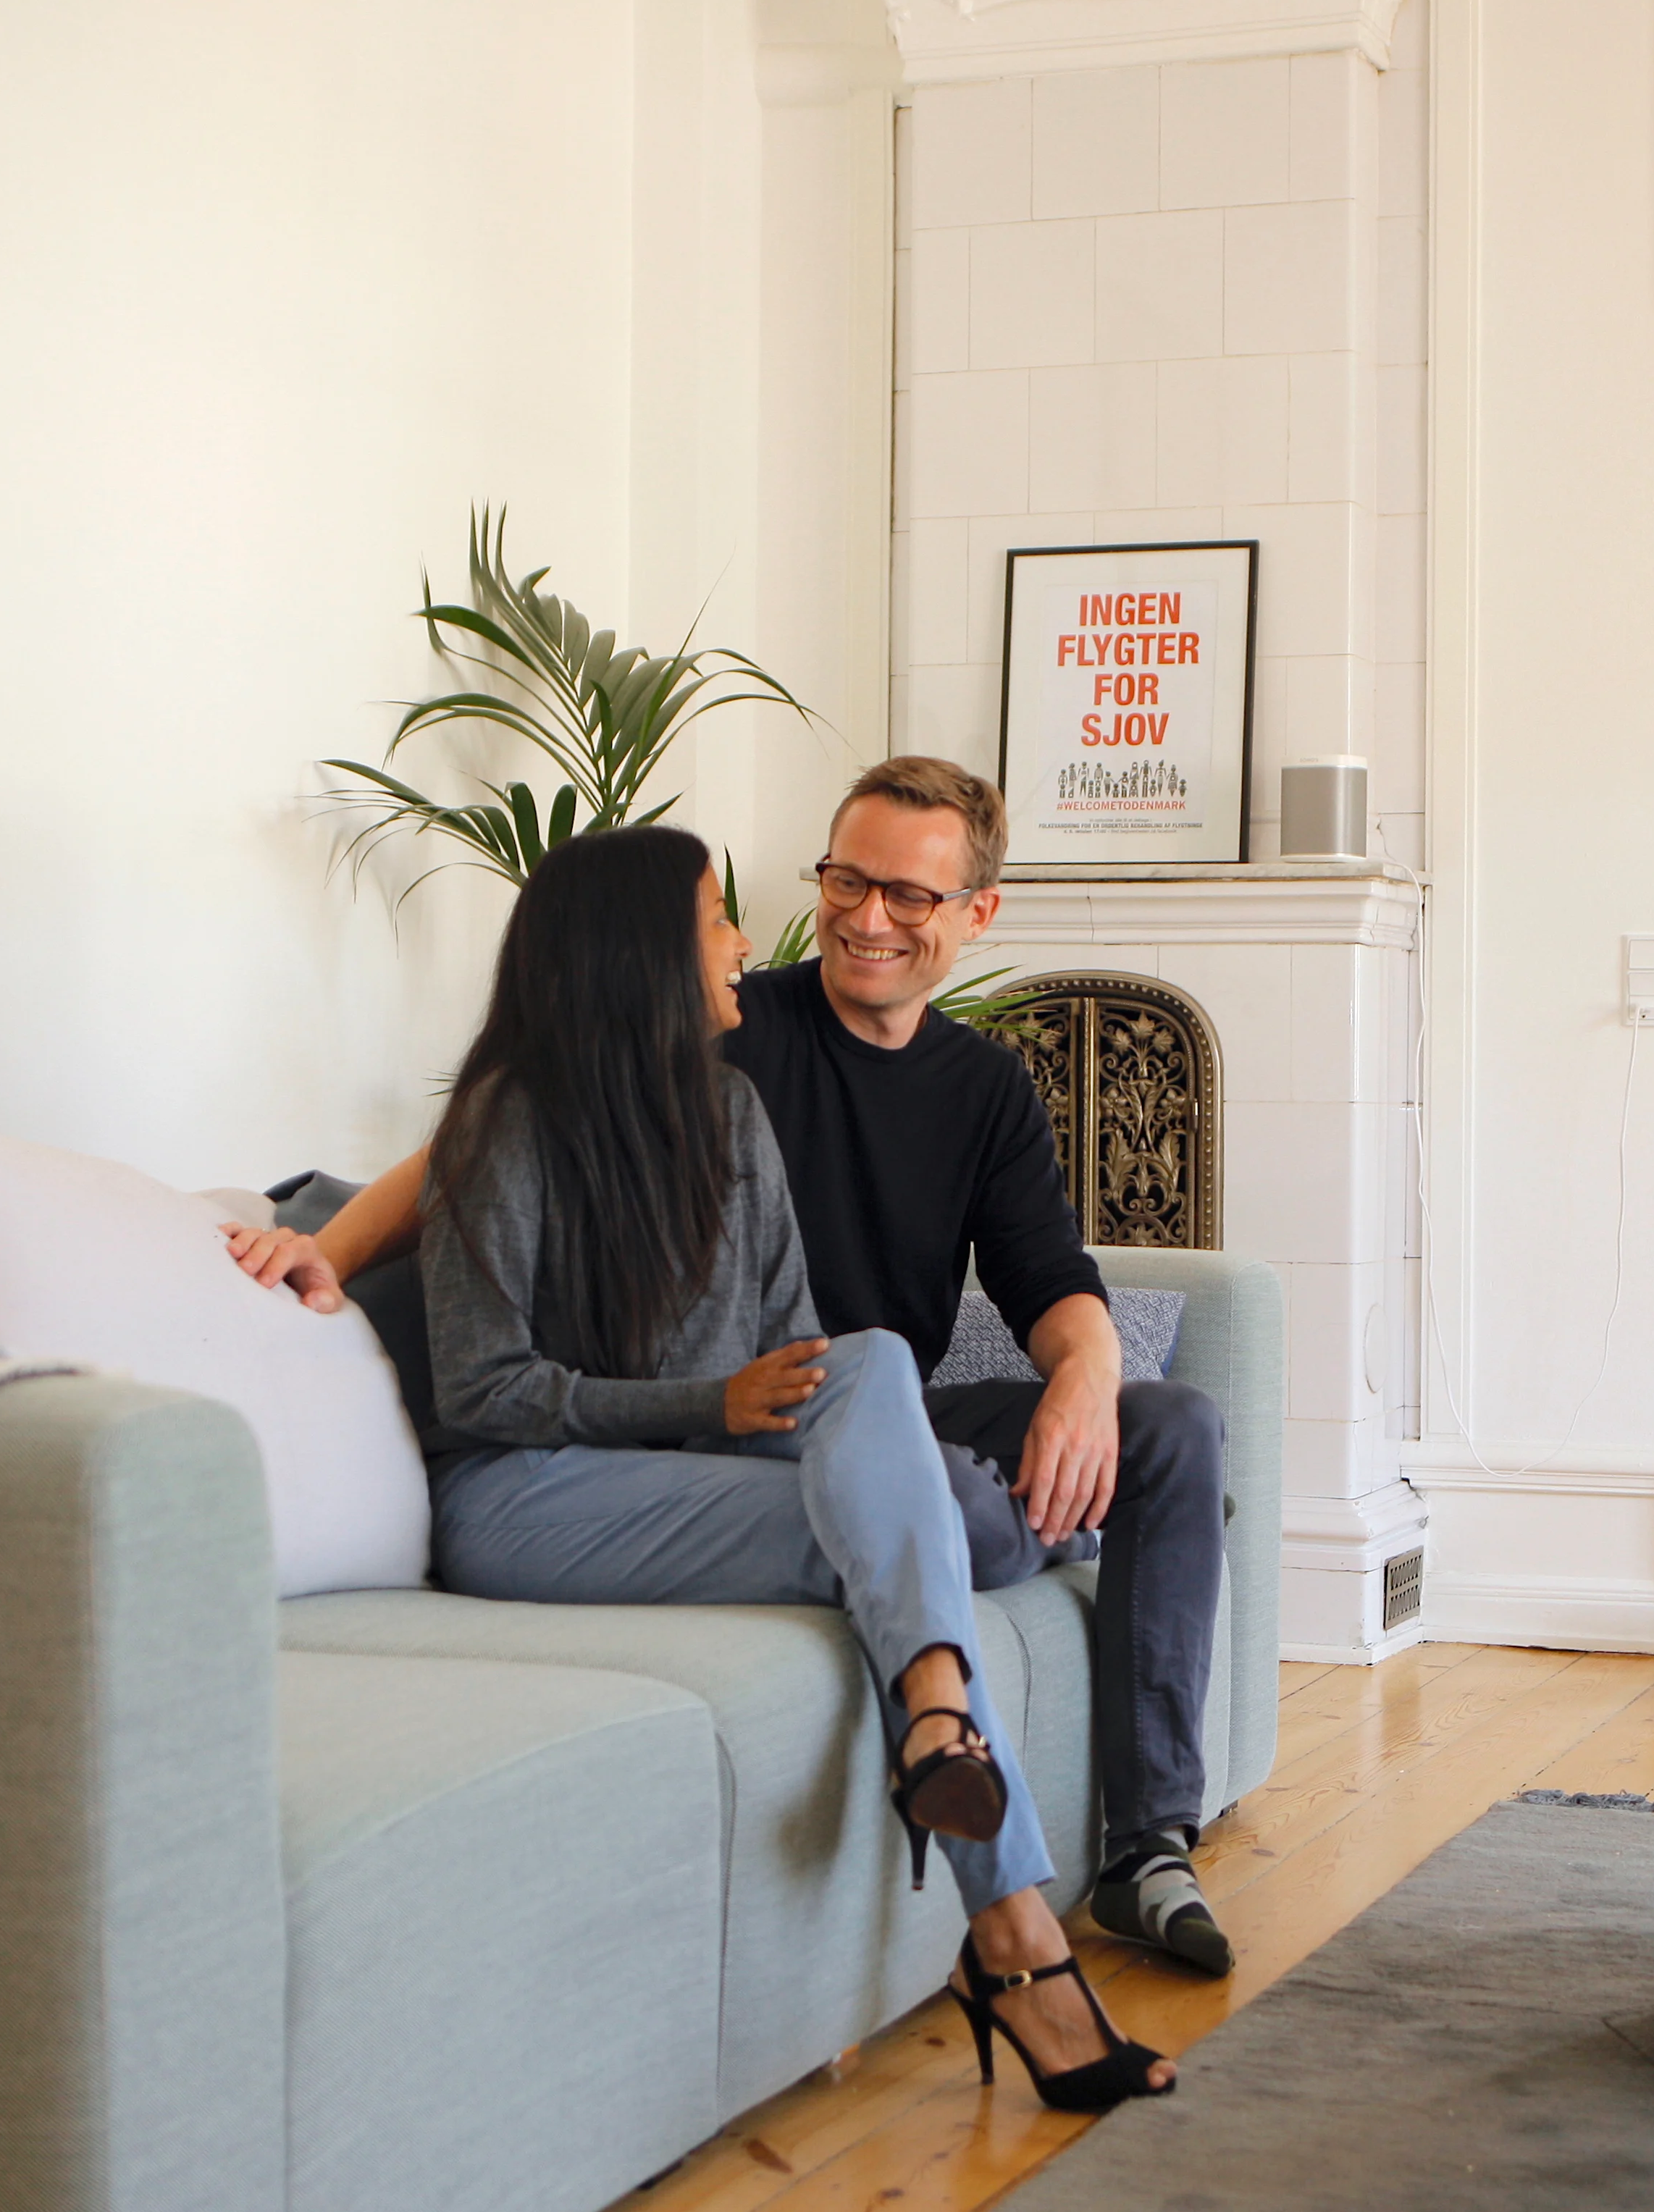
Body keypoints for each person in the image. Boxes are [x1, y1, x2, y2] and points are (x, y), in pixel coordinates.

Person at [230, 824, 1172, 2111]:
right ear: (636, 957)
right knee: (939, 1528)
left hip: (690, 1477)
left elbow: (798, 1348)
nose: (745, 941)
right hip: (528, 1501)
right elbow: (488, 1394)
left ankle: (954, 1762)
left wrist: (788, 1414)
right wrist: (710, 1400)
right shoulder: (506, 1124)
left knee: (882, 1371)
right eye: (717, 917)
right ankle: (1013, 1929)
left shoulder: (730, 1109)